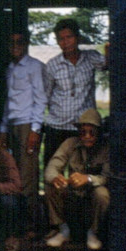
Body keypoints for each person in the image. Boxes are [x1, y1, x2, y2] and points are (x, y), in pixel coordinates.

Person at [42, 18, 106, 169]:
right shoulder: (52, 65)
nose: (65, 42)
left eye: (69, 37)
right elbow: (45, 96)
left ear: (77, 38)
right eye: (61, 39)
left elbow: (110, 64)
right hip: (56, 127)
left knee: (78, 174)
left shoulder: (91, 58)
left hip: (82, 130)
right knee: (52, 172)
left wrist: (110, 48)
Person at [42, 108, 110, 250]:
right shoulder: (70, 143)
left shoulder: (106, 148)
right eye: (83, 132)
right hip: (73, 194)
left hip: (92, 195)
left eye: (92, 132)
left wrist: (88, 179)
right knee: (50, 185)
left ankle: (93, 232)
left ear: (99, 132)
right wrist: (56, 178)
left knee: (102, 194)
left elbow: (107, 177)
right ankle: (63, 230)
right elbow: (52, 167)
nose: (87, 136)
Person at [0, 33, 45, 226]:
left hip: (27, 126)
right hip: (12, 126)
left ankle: (31, 226)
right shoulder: (9, 69)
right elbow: (8, 101)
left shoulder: (35, 66)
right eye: (12, 42)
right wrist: (3, 128)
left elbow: (41, 98)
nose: (15, 45)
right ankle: (16, 224)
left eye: (19, 42)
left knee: (27, 178)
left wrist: (35, 130)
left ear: (26, 44)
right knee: (13, 175)